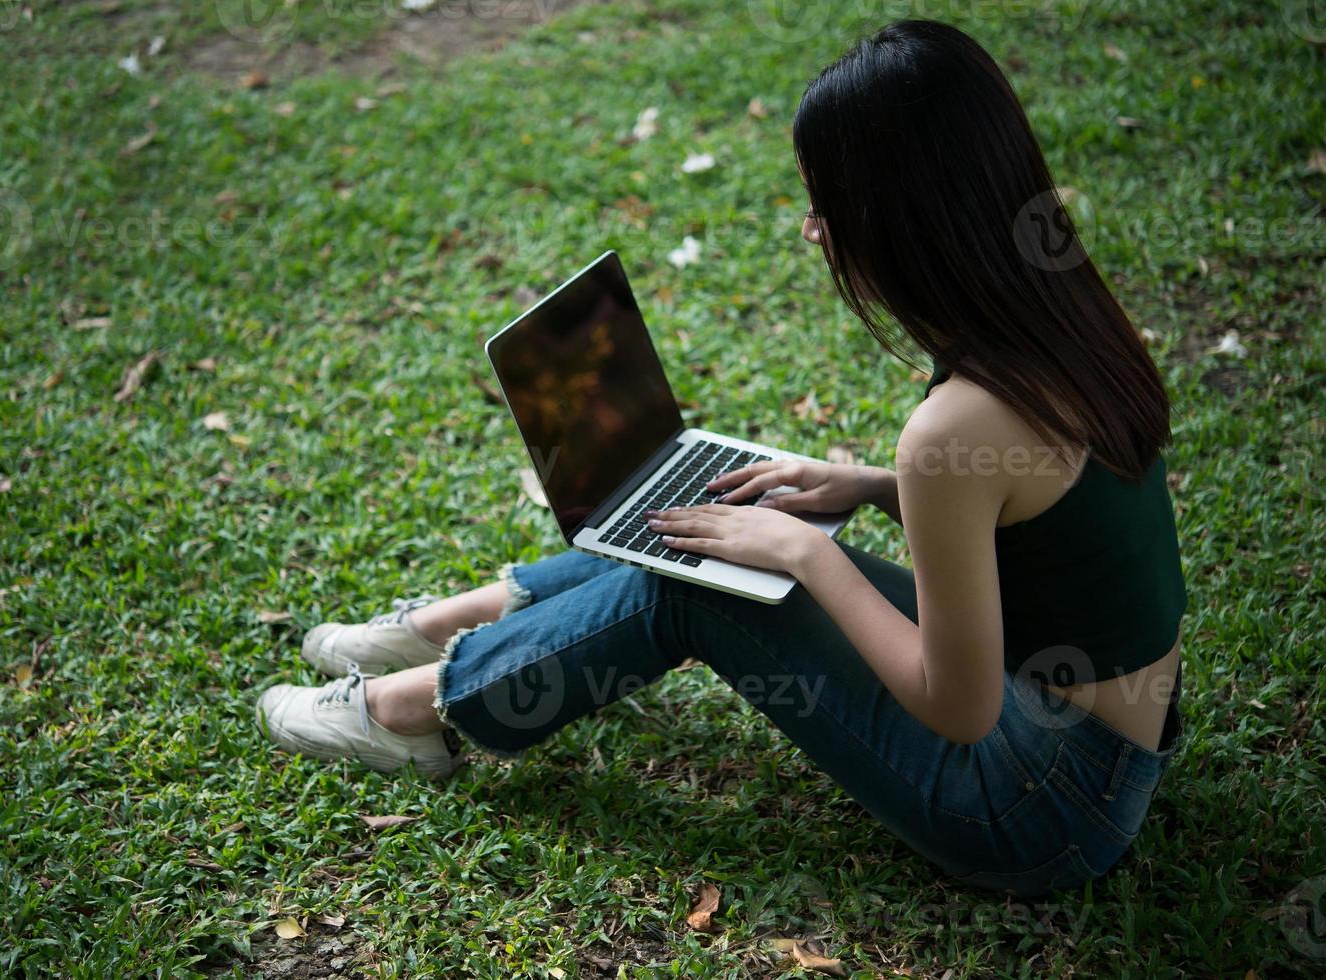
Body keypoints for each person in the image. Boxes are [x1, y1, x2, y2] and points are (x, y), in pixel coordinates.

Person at [256, 19, 1188, 897]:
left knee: (704, 576)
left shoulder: (953, 429)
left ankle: (409, 713)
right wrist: (865, 487)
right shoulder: (1064, 315)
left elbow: (959, 710)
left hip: (1042, 808)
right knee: (718, 518)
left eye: (826, 204)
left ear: (899, 218)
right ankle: (455, 624)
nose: (812, 229)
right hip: (1087, 726)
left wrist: (808, 553)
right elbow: (1045, 524)